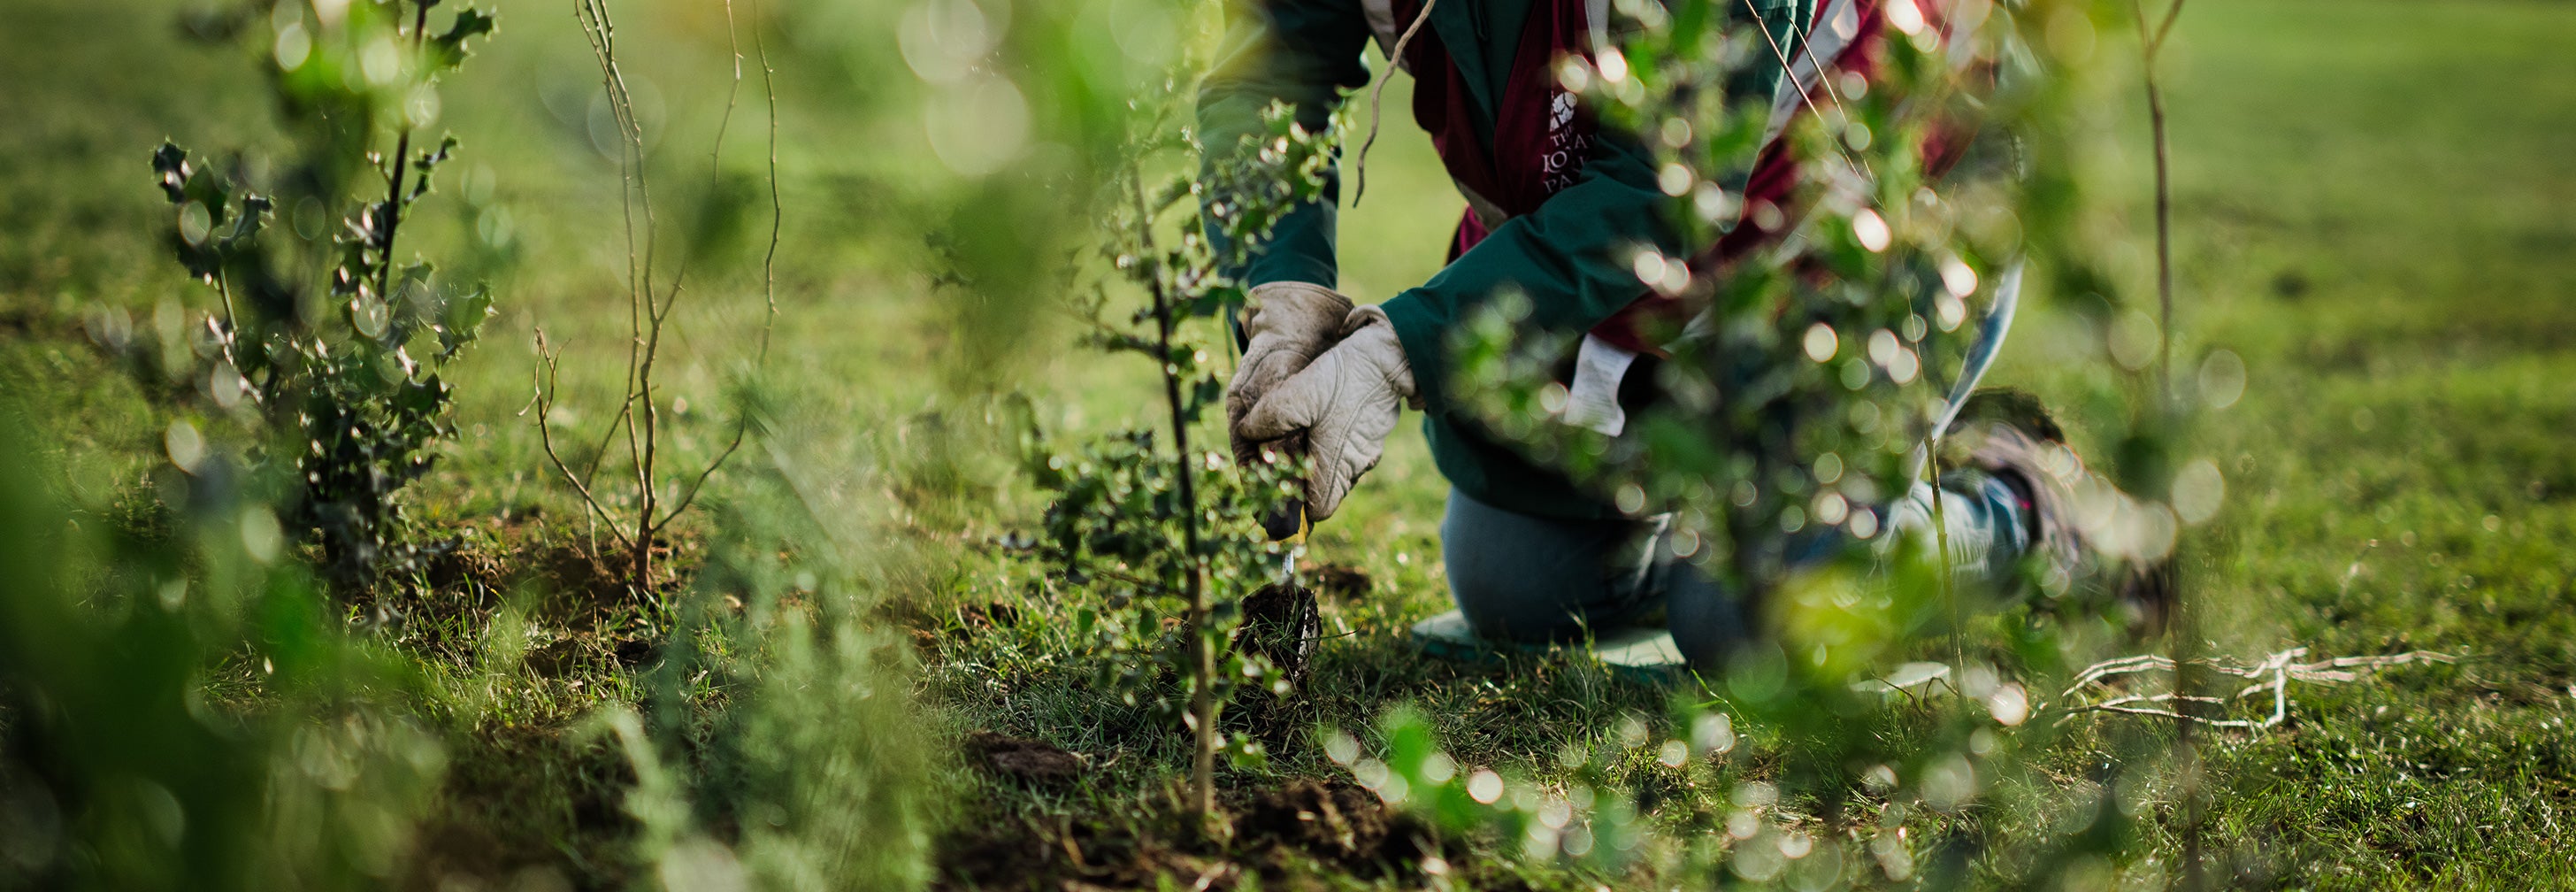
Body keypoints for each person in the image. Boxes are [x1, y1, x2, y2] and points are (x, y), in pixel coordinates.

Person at [1200, 0, 2161, 670]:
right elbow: (1271, 71)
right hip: (1607, 266)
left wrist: (1398, 350)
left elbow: (1664, 192)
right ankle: (1747, 515)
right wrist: (1278, 283)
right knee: (1518, 589)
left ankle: (2028, 511)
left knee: (1761, 618)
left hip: (1865, 236)